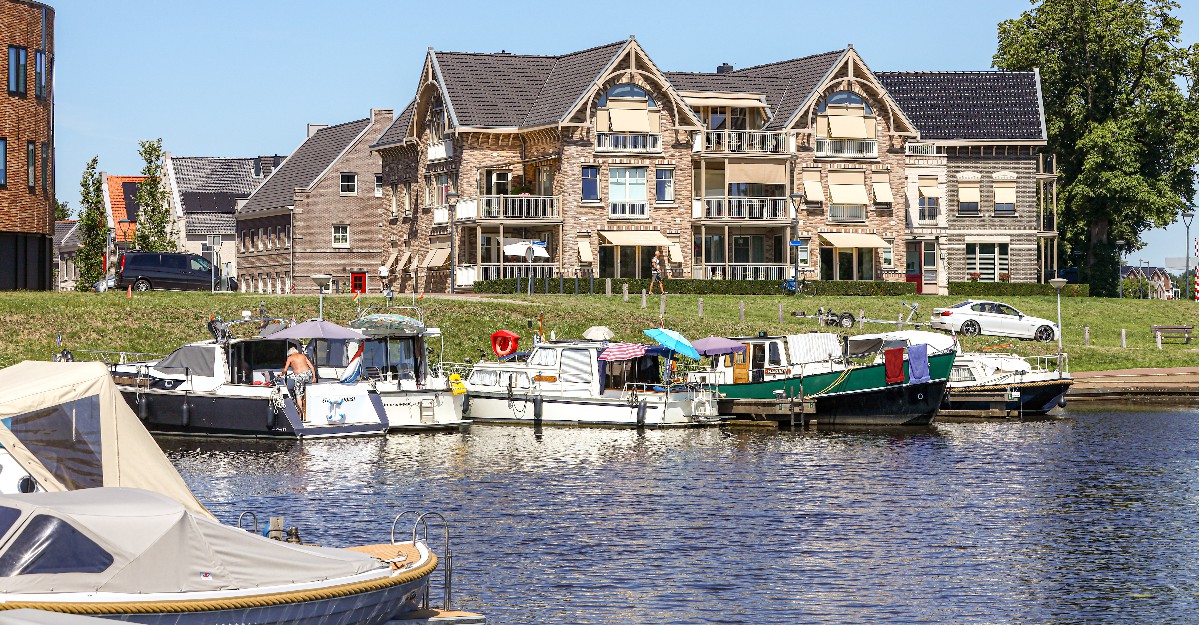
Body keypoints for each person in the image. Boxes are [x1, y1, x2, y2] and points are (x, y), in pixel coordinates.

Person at [283, 347, 317, 422]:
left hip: (299, 376)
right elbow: (311, 367)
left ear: (289, 353)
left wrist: (281, 374)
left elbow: (285, 370)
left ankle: (300, 414)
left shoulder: (290, 358)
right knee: (307, 393)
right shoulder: (303, 356)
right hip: (308, 374)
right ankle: (308, 412)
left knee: (298, 395)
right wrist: (314, 377)